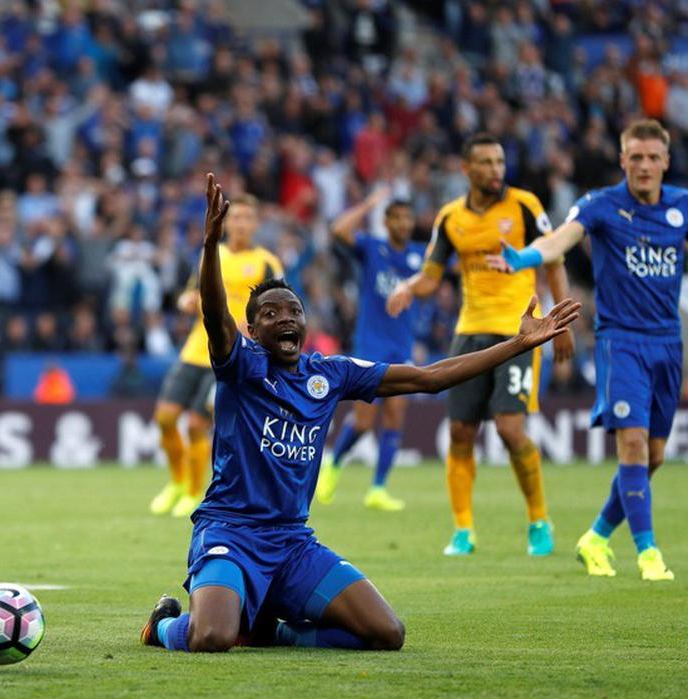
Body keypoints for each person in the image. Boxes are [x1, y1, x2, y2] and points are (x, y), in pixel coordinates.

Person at [140, 174, 580, 654]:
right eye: (270, 313)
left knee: (387, 633)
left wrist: (516, 345)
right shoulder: (241, 365)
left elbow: (427, 377)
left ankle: (276, 631)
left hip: (292, 542)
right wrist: (210, 246)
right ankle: (161, 628)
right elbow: (213, 311)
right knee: (212, 637)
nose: (285, 317)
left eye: (294, 310)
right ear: (252, 328)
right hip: (230, 532)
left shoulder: (331, 373)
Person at [495, 119, 680, 581]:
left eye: (652, 157)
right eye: (634, 157)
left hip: (669, 344)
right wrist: (525, 258)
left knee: (653, 456)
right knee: (633, 445)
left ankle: (596, 537)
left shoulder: (680, 208)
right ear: (622, 160)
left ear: (665, 162)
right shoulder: (601, 205)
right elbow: (561, 238)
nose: (643, 165)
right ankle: (648, 553)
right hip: (622, 342)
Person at [385, 133, 573, 557]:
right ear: (466, 169)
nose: (496, 170)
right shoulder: (450, 217)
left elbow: (555, 258)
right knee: (459, 431)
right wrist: (411, 287)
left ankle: (539, 521)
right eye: (486, 162)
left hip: (520, 331)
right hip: (470, 331)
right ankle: (463, 530)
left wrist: (559, 320)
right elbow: (432, 275)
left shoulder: (525, 204)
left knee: (510, 428)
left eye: (500, 161)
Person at [150, 193, 282, 518]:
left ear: (255, 224)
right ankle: (177, 482)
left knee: (196, 424)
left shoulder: (267, 262)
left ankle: (194, 492)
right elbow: (193, 290)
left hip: (227, 355)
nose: (240, 224)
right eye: (235, 217)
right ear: (226, 221)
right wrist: (185, 300)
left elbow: (278, 308)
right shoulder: (212, 252)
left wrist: (251, 326)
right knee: (165, 418)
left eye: (247, 218)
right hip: (195, 348)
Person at [317, 187, 421, 511]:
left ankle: (378, 488)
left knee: (395, 417)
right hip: (370, 344)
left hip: (400, 345)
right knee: (364, 421)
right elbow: (338, 230)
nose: (403, 223)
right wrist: (367, 204)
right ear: (386, 222)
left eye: (407, 217)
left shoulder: (421, 255)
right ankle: (333, 465)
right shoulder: (373, 248)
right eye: (397, 218)